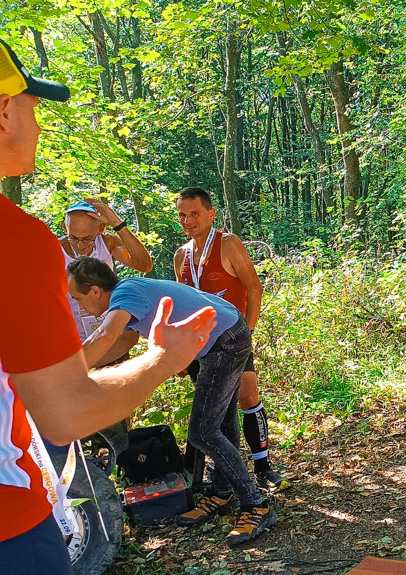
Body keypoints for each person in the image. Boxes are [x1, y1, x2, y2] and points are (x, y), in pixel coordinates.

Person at [0, 38, 216, 574]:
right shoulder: (19, 242)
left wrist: (116, 223)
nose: (39, 124)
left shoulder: (107, 260)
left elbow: (129, 286)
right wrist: (163, 358)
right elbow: (67, 408)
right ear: (4, 111)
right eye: (31, 106)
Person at [66, 257, 277, 545]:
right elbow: (121, 342)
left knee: (203, 432)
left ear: (95, 291)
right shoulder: (129, 296)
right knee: (221, 424)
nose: (79, 306)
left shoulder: (125, 294)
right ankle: (222, 490)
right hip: (222, 334)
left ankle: (255, 505)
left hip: (225, 340)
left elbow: (105, 336)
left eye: (78, 298)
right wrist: (85, 369)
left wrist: (65, 373)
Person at [173, 187, 287, 492]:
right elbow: (182, 303)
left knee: (248, 396)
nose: (188, 220)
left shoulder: (228, 243)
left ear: (211, 214)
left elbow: (254, 287)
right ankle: (226, 475)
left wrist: (247, 332)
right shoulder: (181, 255)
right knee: (216, 411)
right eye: (182, 215)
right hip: (200, 345)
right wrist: (181, 352)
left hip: (232, 339)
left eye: (195, 213)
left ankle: (263, 468)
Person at [59, 198, 153, 344]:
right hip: (72, 336)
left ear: (100, 229)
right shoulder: (54, 251)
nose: (80, 246)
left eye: (88, 239)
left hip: (108, 332)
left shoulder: (108, 242)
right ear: (64, 227)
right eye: (73, 238)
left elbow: (144, 265)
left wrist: (118, 225)